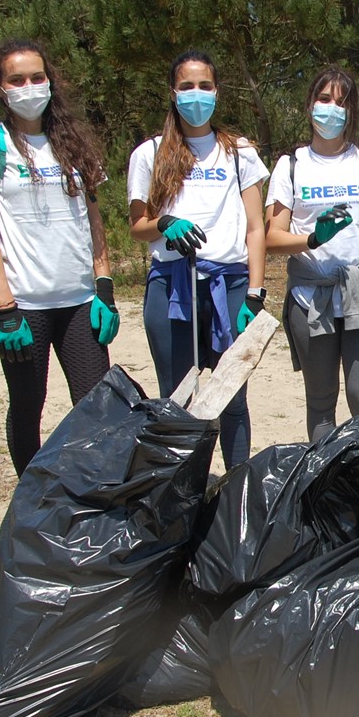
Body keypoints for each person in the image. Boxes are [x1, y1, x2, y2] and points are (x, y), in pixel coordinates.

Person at [0, 38, 119, 477]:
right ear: (0, 87)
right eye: (17, 80)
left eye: (37, 77)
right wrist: (5, 308)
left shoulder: (72, 144)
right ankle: (29, 500)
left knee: (97, 406)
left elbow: (93, 218)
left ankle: (93, 489)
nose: (28, 87)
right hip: (24, 307)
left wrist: (103, 286)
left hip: (79, 303)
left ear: (50, 81)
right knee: (28, 405)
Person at [126, 50, 269, 467]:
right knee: (178, 398)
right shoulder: (149, 153)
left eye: (205, 86)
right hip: (172, 283)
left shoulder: (239, 152)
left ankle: (236, 492)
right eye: (187, 86)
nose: (196, 95)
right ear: (173, 93)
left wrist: (256, 293)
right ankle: (181, 496)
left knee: (232, 397)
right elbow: (138, 226)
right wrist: (164, 222)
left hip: (232, 284)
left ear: (217, 92)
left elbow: (255, 227)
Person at [265, 65, 359, 442]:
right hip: (311, 294)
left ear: (352, 111)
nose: (331, 109)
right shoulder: (290, 165)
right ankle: (325, 487)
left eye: (341, 102)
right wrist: (313, 238)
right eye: (324, 99)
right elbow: (273, 237)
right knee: (320, 400)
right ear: (310, 104)